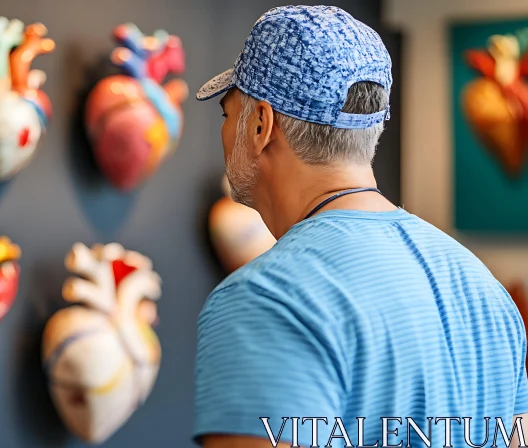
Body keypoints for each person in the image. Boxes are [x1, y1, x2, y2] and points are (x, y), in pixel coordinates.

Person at [192, 5, 528, 448]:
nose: (224, 128)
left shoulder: (265, 301)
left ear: (260, 125)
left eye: (226, 113)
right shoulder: (485, 293)